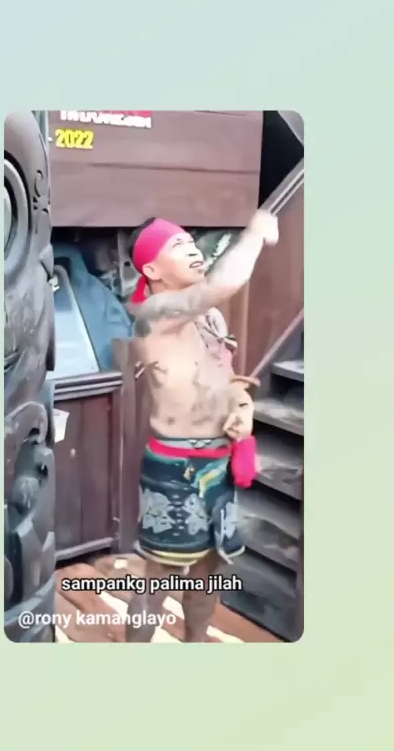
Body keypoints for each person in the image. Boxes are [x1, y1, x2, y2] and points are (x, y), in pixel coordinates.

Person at [125, 210, 279, 642]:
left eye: (193, 243)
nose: (193, 250)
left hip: (219, 460)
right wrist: (254, 233)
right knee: (158, 576)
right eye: (178, 246)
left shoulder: (210, 319)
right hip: (177, 467)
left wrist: (241, 407)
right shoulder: (153, 314)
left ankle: (195, 647)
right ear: (152, 270)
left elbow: (224, 378)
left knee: (211, 568)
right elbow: (223, 284)